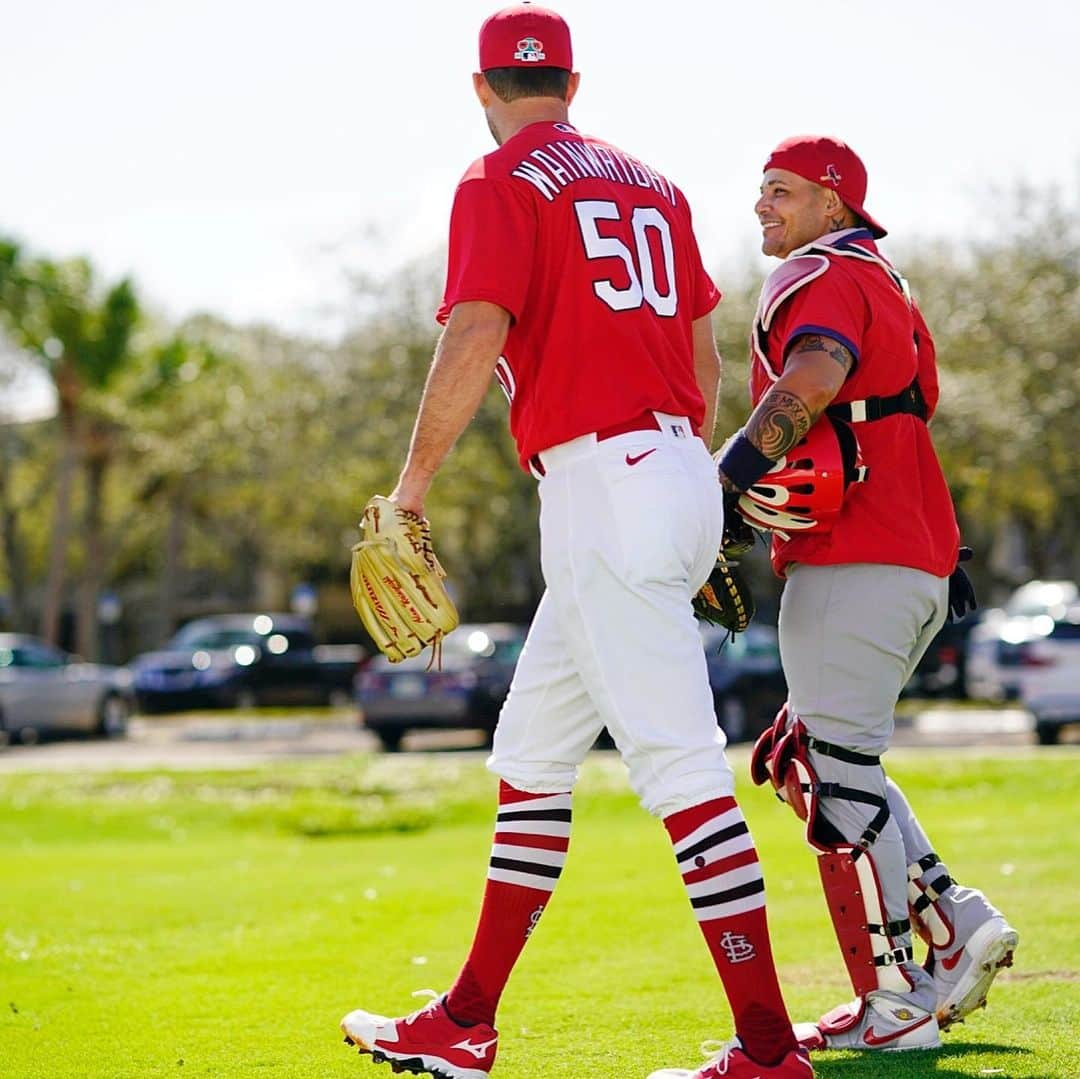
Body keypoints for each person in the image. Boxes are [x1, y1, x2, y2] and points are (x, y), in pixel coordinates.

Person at [339, 6, 811, 1078]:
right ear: (572, 80)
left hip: (604, 485)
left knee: (685, 773)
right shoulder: (657, 184)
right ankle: (465, 1016)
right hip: (670, 467)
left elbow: (476, 325)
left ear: (482, 86)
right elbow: (703, 361)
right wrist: (680, 486)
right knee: (533, 758)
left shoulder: (498, 177)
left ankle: (770, 1050)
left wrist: (412, 484)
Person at [704, 135, 1018, 1055]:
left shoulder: (819, 272)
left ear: (833, 205)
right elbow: (912, 407)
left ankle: (897, 1001)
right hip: (912, 554)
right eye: (761, 190)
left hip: (857, 555)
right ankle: (953, 921)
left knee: (833, 778)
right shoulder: (883, 275)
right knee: (820, 758)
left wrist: (722, 485)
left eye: (783, 191)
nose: (764, 206)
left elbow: (814, 381)